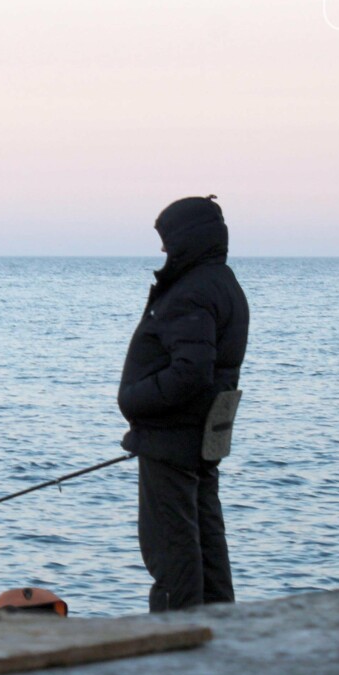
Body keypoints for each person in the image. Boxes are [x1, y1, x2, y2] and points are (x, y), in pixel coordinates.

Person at [117, 195, 249, 612]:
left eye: (167, 239)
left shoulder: (192, 292)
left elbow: (192, 371)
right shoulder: (222, 283)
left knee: (172, 552)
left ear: (187, 239)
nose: (162, 249)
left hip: (171, 441)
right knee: (207, 545)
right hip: (200, 440)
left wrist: (134, 400)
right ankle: (220, 632)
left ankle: (176, 644)